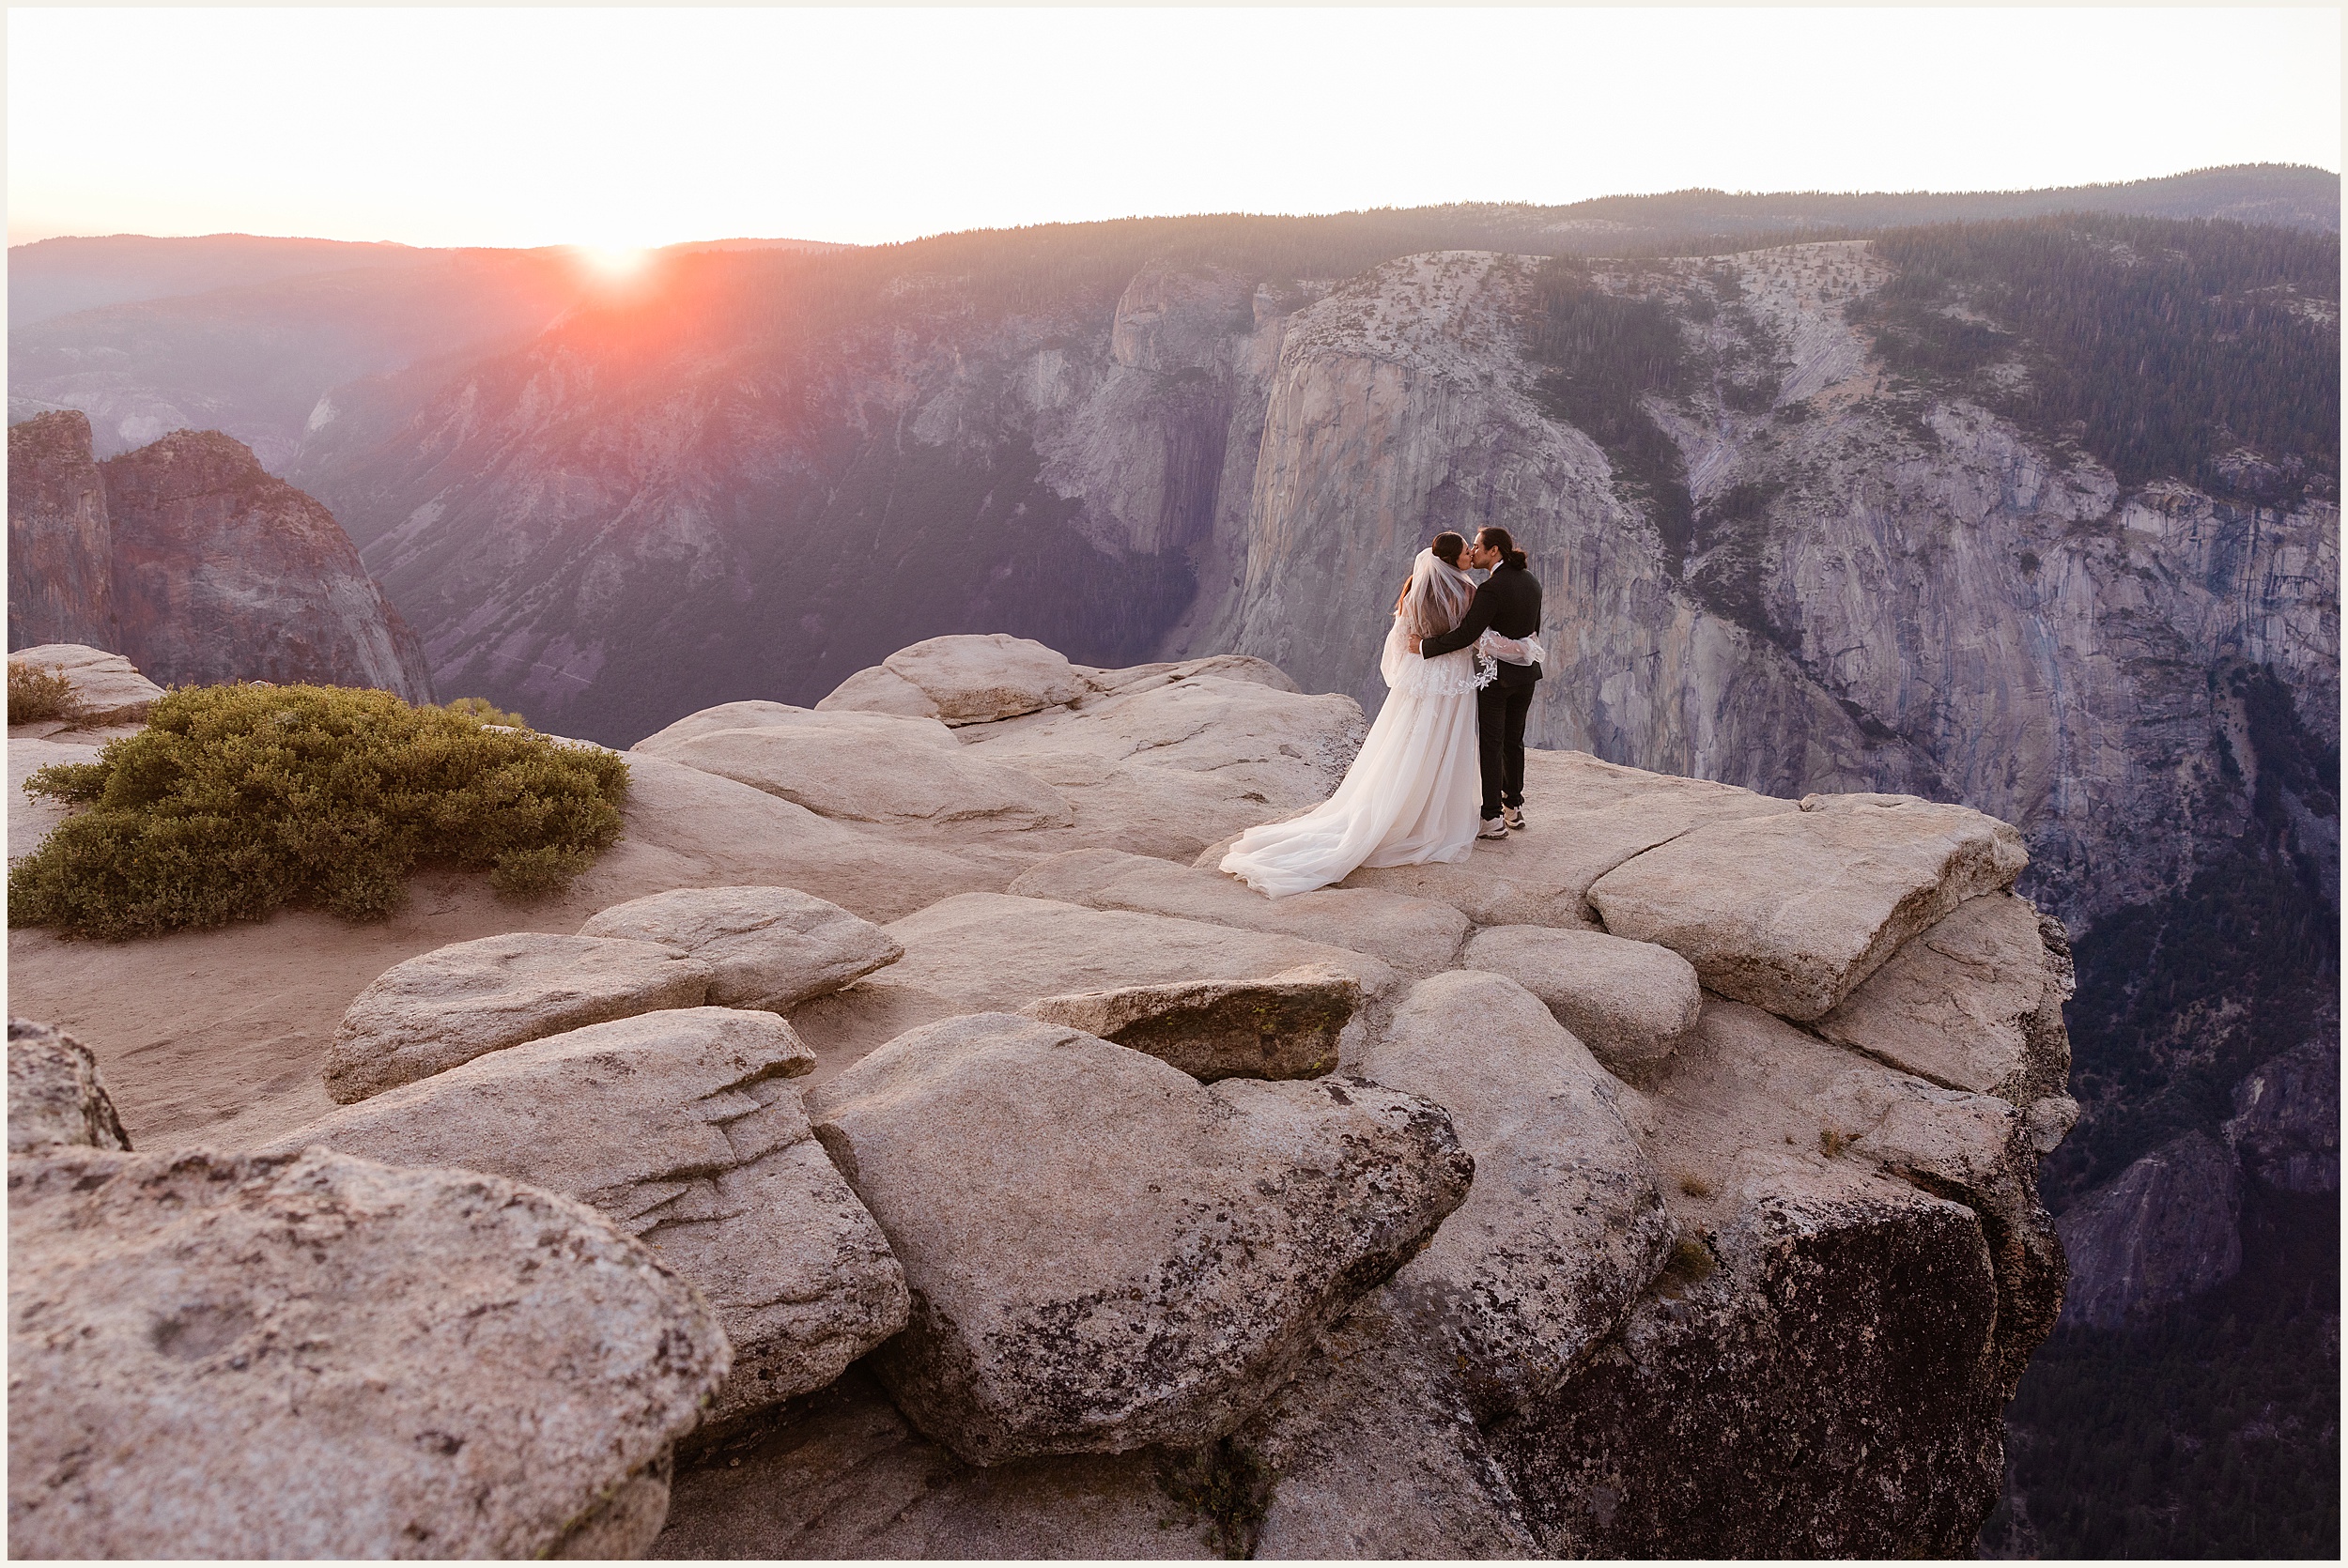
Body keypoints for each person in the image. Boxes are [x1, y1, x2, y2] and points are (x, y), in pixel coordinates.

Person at [1217, 532, 1490, 898]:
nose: (1470, 557)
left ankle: (1399, 802)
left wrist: (1415, 657)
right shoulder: (1469, 593)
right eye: (1464, 554)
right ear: (1452, 561)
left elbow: (1399, 640)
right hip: (1453, 675)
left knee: (1408, 738)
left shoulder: (1416, 592)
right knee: (1446, 739)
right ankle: (1430, 811)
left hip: (1422, 674)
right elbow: (1472, 637)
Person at [1413, 525, 1542, 836]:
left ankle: (1492, 818)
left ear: (1494, 551)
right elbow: (1533, 630)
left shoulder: (1491, 589)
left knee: (1491, 743)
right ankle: (1514, 806)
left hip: (1495, 679)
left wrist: (1424, 647)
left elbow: (1467, 634)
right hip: (1526, 675)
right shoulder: (1531, 582)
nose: (1472, 551)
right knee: (1514, 741)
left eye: (1477, 546)